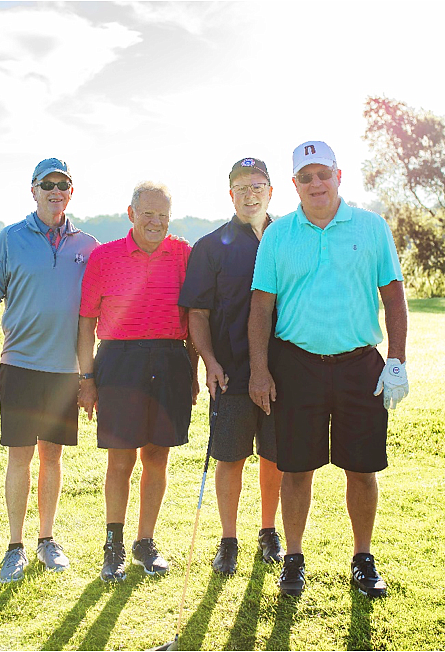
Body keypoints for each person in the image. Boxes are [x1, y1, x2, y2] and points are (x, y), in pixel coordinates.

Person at [248, 141, 409, 599]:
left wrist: (396, 359)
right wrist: (260, 370)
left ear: (339, 175)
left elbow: (394, 296)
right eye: (306, 177)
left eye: (323, 174)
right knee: (296, 468)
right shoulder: (278, 236)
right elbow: (261, 307)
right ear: (294, 184)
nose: (316, 183)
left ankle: (362, 559)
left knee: (362, 469)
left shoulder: (371, 227)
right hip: (296, 366)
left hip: (360, 366)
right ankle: (294, 559)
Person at [0, 158, 99, 584]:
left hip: (65, 372)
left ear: (70, 192)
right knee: (20, 457)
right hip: (20, 366)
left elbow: (97, 311)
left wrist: (90, 376)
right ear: (33, 190)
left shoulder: (88, 245)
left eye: (62, 184)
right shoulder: (11, 238)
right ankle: (15, 546)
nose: (55, 191)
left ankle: (47, 540)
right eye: (47, 184)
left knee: (53, 456)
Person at [76, 181, 200, 583]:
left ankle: (145, 542)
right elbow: (85, 324)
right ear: (131, 213)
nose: (156, 222)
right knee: (121, 458)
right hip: (118, 361)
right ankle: (112, 545)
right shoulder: (104, 256)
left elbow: (196, 321)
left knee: (157, 457)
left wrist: (193, 371)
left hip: (170, 359)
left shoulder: (184, 254)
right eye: (148, 213)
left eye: (163, 216)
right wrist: (87, 379)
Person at [178, 157, 285, 576]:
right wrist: (210, 361)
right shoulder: (210, 246)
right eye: (242, 187)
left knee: (275, 457)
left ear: (271, 191)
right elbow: (197, 315)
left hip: (284, 372)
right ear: (231, 195)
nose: (250, 193)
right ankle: (228, 539)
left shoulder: (289, 238)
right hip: (231, 372)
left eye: (258, 185)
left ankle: (268, 531)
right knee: (231, 458)